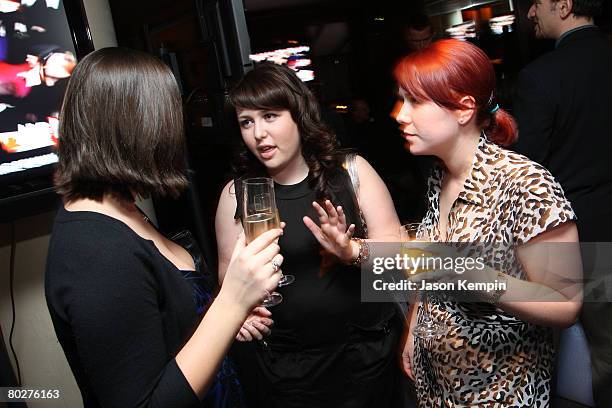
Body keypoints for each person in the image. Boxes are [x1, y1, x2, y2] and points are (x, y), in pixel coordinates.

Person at [45, 47, 283, 408]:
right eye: (247, 121)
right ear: (138, 126)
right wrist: (232, 303)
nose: (176, 129)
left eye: (270, 116)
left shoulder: (122, 211)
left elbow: (172, 333)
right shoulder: (94, 249)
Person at [394, 39, 582, 406]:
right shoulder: (440, 177)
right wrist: (415, 327)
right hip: (440, 389)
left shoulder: (524, 183)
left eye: (414, 102)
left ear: (464, 109)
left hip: (500, 392)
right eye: (402, 100)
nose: (400, 114)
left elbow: (566, 303)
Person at [215, 62, 402, 407]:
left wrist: (352, 249)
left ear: (298, 114)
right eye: (246, 122)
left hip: (367, 359)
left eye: (270, 116)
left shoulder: (352, 172)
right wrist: (241, 313)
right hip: (290, 371)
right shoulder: (236, 196)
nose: (258, 134)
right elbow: (228, 276)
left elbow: (403, 260)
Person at [512, 1, 612, 405]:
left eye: (535, 3)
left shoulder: (541, 77)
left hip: (580, 232)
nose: (530, 12)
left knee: (599, 350)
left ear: (564, 5)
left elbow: (529, 168)